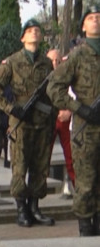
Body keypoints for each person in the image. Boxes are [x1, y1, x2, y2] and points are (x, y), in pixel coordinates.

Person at [0, 19, 56, 228]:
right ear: (23, 38)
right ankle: (21, 208)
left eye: (37, 31)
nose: (34, 34)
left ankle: (35, 207)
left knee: (40, 166)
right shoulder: (12, 62)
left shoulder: (46, 63)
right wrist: (12, 108)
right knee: (20, 166)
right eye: (29, 31)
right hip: (20, 121)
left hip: (41, 121)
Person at [47, 5, 100, 236]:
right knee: (85, 183)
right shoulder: (78, 55)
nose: (96, 21)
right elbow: (54, 87)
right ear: (83, 26)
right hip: (86, 129)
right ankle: (85, 230)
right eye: (91, 18)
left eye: (99, 17)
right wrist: (79, 108)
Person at [46, 49, 76, 193]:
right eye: (52, 60)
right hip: (47, 120)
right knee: (43, 158)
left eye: (58, 60)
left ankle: (78, 190)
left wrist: (69, 111)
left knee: (72, 158)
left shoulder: (68, 75)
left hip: (65, 119)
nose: (55, 63)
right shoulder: (42, 76)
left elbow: (75, 95)